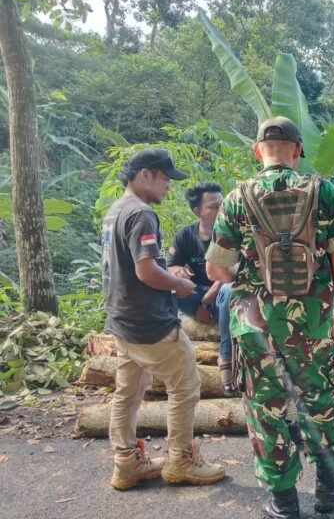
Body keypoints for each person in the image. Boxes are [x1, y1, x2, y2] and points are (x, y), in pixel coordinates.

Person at [206, 116, 334, 519]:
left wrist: (247, 278)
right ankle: (330, 490)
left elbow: (216, 268)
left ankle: (284, 500)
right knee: (320, 401)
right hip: (314, 321)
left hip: (255, 325)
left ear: (257, 151)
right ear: (298, 150)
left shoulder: (237, 198)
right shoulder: (324, 191)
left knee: (265, 407)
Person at [101, 148, 225, 490]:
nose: (169, 185)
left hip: (122, 319)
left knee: (128, 391)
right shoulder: (141, 213)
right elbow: (146, 271)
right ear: (145, 174)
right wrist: (178, 283)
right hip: (149, 321)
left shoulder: (116, 210)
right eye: (165, 178)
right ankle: (181, 459)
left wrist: (170, 276)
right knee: (186, 386)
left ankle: (126, 462)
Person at [167, 182, 236, 396]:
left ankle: (226, 356)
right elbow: (171, 266)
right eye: (214, 207)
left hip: (221, 293)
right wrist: (177, 272)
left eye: (223, 204)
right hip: (196, 294)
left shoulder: (233, 234)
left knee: (230, 290)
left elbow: (231, 274)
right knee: (168, 288)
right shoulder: (185, 235)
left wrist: (206, 302)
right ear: (198, 212)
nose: (222, 210)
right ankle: (165, 349)